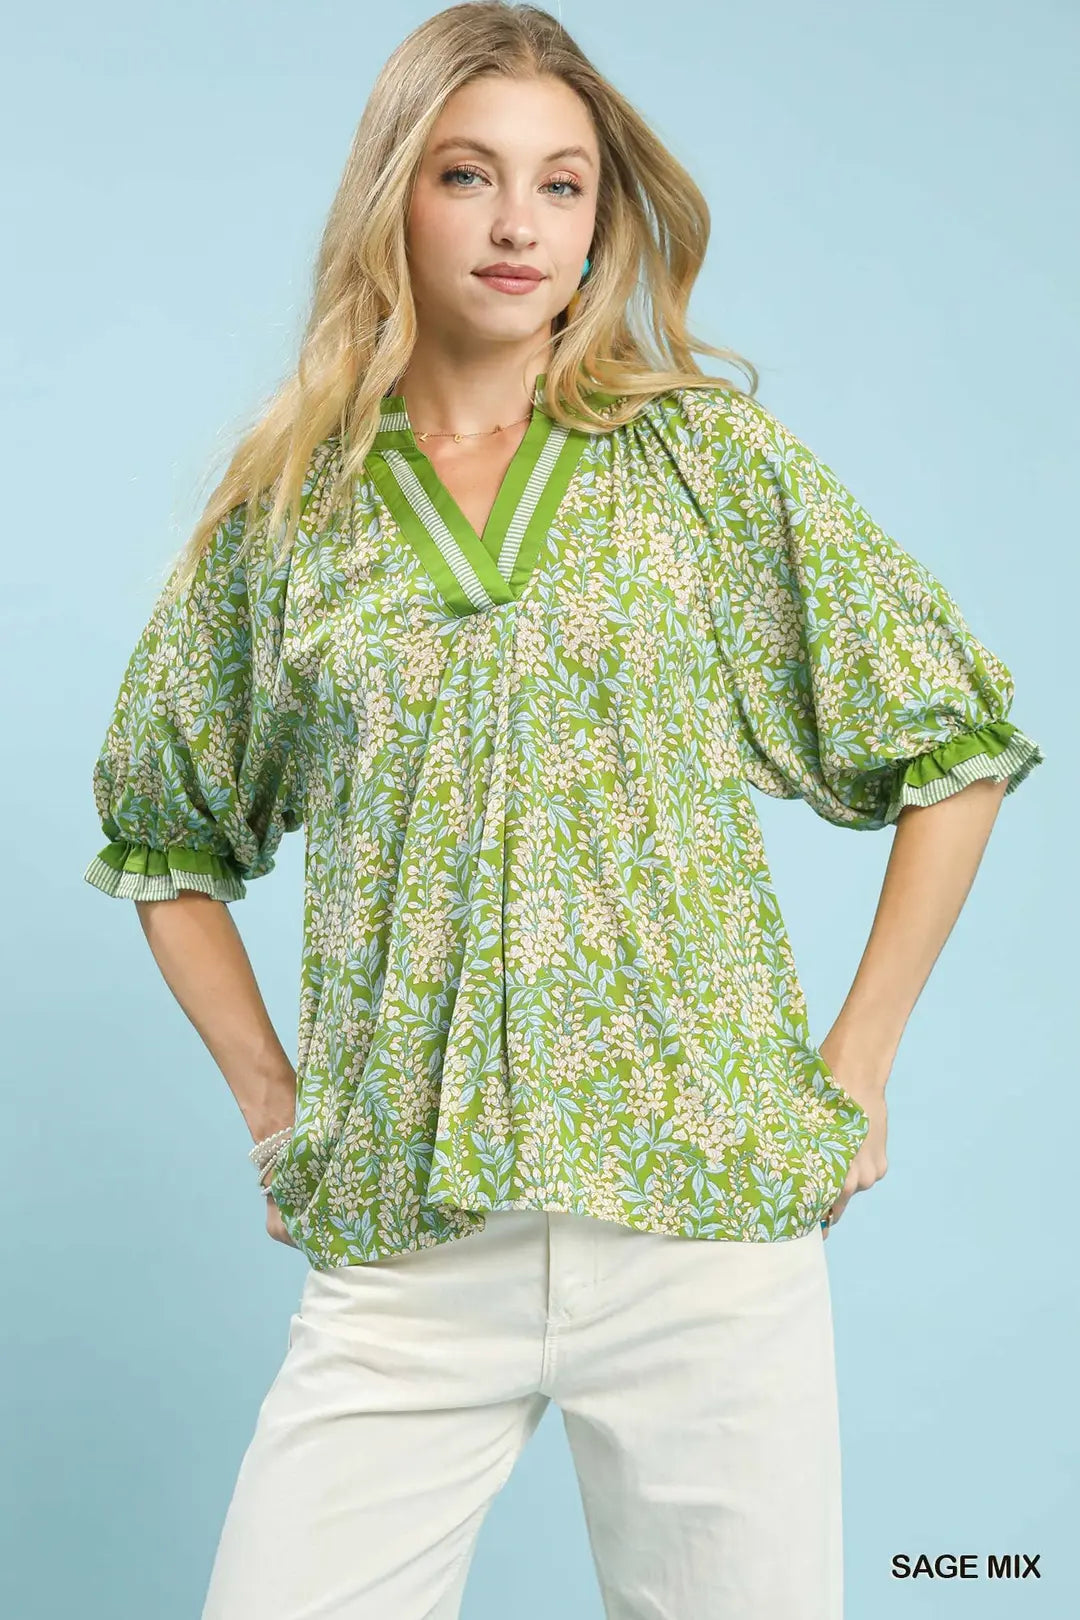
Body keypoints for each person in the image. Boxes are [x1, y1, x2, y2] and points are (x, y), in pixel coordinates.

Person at [81, 5, 1044, 1617]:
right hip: (411, 1252)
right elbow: (163, 832)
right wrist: (274, 1101)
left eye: (562, 183)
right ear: (394, 197)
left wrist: (859, 1063)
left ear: (601, 218)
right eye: (468, 175)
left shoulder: (700, 463)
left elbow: (953, 746)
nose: (518, 224)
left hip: (703, 1224)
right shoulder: (290, 517)